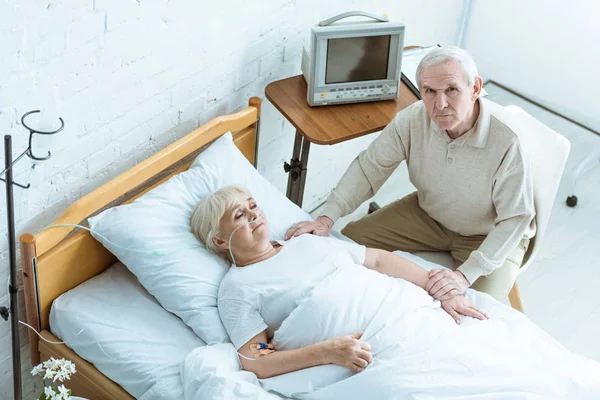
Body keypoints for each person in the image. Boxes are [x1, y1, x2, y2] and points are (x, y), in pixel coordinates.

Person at [285, 46, 535, 301]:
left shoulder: (507, 142)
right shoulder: (414, 118)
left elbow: (515, 219)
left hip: (488, 233)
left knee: (476, 308)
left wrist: (465, 275)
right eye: (430, 91)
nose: (440, 104)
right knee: (348, 244)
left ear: (475, 88)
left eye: (451, 89)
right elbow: (369, 168)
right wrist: (325, 218)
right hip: (430, 214)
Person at [190, 185, 487, 379]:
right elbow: (256, 357)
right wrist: (327, 352)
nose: (254, 214)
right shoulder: (237, 288)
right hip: (368, 353)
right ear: (219, 240)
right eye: (240, 215)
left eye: (253, 205)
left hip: (406, 314)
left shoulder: (304, 242)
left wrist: (441, 288)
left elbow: (377, 261)